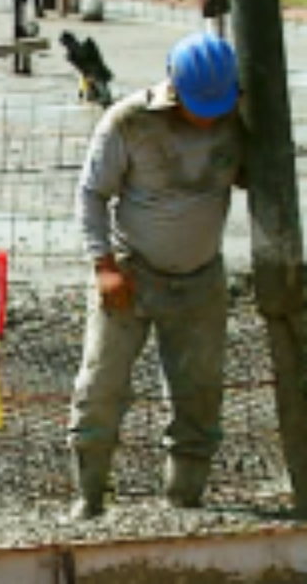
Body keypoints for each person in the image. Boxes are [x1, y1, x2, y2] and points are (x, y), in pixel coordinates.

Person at [67, 31, 245, 520]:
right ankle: (90, 498)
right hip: (131, 272)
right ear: (174, 87)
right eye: (198, 105)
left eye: (217, 106)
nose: (207, 116)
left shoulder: (238, 121)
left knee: (198, 392)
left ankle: (184, 500)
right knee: (102, 384)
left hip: (200, 279)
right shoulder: (128, 122)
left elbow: (260, 173)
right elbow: (91, 194)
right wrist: (103, 266)